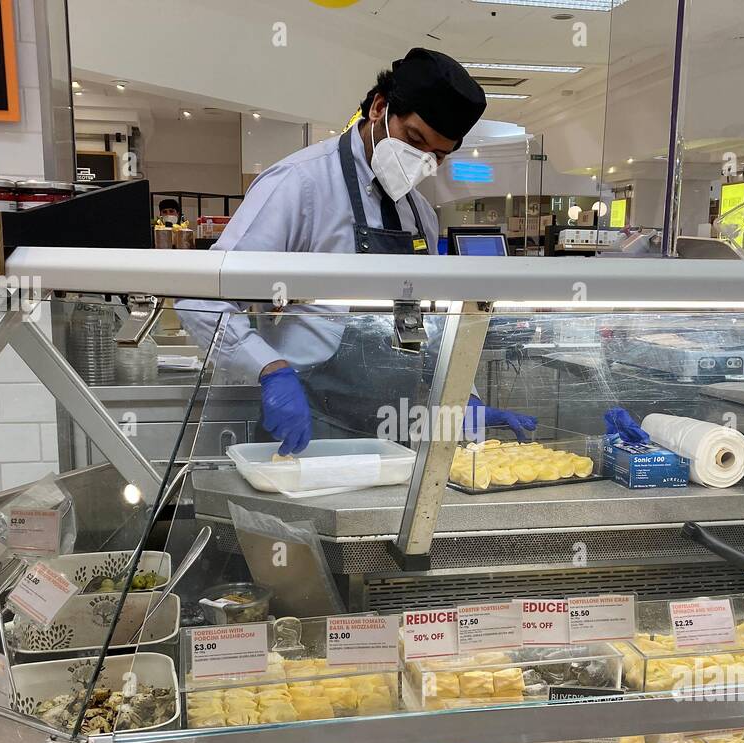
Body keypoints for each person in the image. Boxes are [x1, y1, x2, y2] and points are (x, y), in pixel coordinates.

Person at [177, 48, 539, 455]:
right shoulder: (300, 185)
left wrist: (463, 395)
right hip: (309, 423)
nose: (422, 161)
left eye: (437, 155)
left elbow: (426, 320)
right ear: (379, 108)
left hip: (394, 427)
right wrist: (271, 370)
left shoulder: (420, 214)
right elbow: (201, 298)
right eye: (415, 140)